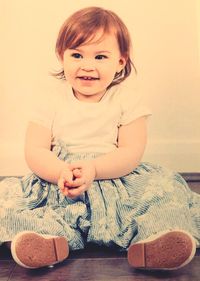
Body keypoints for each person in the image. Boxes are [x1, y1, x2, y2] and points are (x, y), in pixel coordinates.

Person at [0, 6, 199, 271]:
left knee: (162, 196)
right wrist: (61, 171)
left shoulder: (127, 99)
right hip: (62, 180)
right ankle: (44, 241)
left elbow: (131, 150)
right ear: (62, 56)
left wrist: (95, 169)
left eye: (100, 56)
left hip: (115, 176)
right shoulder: (50, 99)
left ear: (121, 61)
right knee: (17, 204)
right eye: (77, 54)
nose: (87, 66)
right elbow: (35, 149)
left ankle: (156, 240)